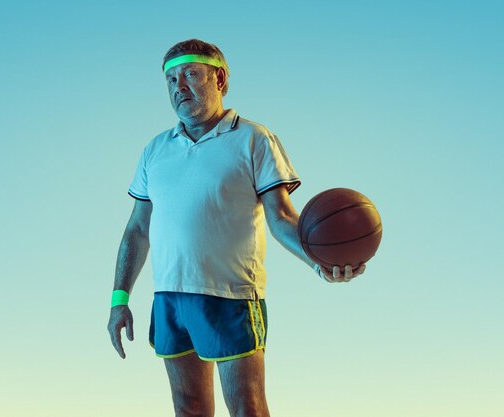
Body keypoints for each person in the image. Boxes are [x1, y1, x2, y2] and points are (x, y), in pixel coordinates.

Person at [107, 39, 366, 417]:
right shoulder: (155, 149)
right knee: (188, 407)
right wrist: (119, 300)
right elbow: (137, 230)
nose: (179, 86)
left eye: (191, 74)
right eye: (171, 79)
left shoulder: (254, 138)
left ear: (220, 78)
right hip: (169, 298)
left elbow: (281, 218)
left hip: (231, 295)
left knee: (247, 407)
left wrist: (319, 261)